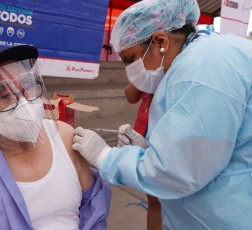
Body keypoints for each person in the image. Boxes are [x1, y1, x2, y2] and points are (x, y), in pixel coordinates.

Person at [72, 0, 252, 229]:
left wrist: (107, 157)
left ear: (160, 41)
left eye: (131, 59)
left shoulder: (203, 68)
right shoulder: (192, 61)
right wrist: (152, 151)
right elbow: (200, 146)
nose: (130, 70)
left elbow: (180, 170)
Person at [0, 45, 111, 229]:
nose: (24, 101)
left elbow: (93, 213)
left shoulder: (65, 138)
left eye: (28, 85)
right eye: (5, 94)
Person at [121, 84, 161, 230]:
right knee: (153, 200)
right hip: (143, 135)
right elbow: (131, 96)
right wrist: (139, 75)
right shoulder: (147, 67)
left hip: (164, 138)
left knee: (167, 200)